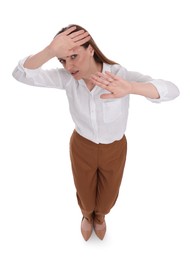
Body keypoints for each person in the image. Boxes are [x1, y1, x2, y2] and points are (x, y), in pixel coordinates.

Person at [12, 24, 180, 241]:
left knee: (108, 197)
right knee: (84, 193)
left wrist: (131, 88)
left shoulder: (119, 75)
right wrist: (50, 51)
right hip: (82, 146)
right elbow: (20, 74)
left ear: (90, 49)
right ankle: (86, 216)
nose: (69, 66)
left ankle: (100, 217)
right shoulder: (67, 78)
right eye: (62, 60)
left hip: (114, 148)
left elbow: (172, 90)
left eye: (74, 56)